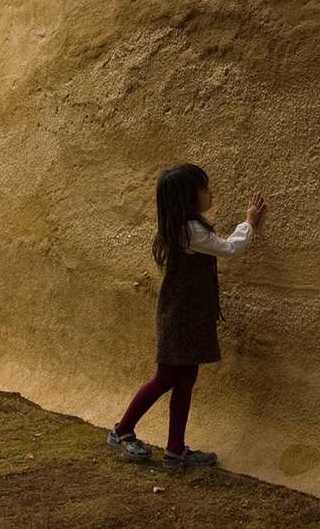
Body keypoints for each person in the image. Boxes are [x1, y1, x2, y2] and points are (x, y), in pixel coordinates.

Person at [106, 163, 266, 469]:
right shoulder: (190, 230)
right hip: (180, 318)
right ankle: (122, 429)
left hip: (184, 315)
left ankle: (175, 449)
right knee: (167, 377)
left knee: (184, 378)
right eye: (204, 189)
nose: (209, 193)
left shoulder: (178, 227)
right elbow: (230, 248)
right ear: (188, 197)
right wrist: (249, 222)